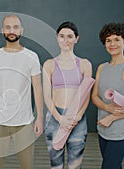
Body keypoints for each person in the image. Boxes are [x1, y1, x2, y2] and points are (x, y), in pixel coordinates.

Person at [0, 14, 44, 169]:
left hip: (24, 122)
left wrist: (39, 117)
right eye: (8, 27)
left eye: (15, 27)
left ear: (21, 30)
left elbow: (38, 88)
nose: (11, 30)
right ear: (2, 30)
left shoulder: (31, 56)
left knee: (27, 165)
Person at [92, 22, 124, 169]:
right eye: (108, 40)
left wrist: (113, 117)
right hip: (102, 128)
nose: (112, 44)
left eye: (117, 40)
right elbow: (95, 96)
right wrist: (107, 108)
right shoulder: (102, 68)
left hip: (120, 131)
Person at [43, 21, 92, 169]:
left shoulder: (84, 64)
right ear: (57, 37)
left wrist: (77, 116)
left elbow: (86, 95)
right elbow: (47, 96)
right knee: (56, 164)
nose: (66, 40)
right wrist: (60, 119)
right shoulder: (49, 64)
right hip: (54, 118)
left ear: (76, 38)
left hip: (77, 120)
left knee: (75, 165)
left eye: (70, 36)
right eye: (62, 36)